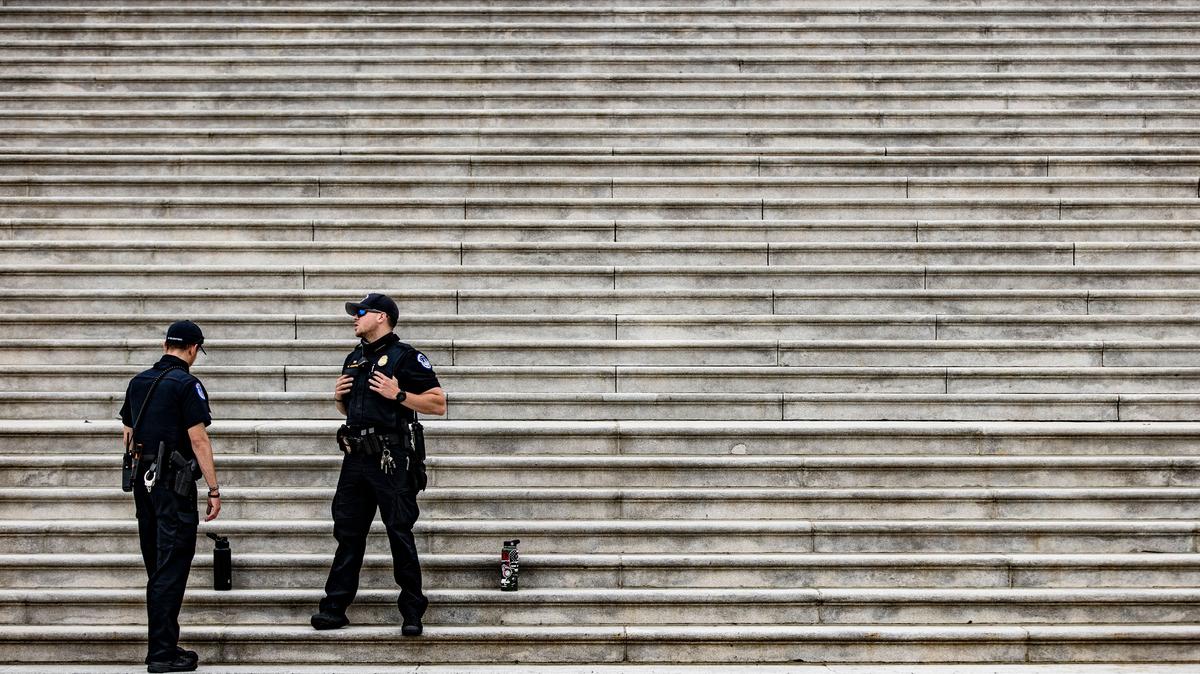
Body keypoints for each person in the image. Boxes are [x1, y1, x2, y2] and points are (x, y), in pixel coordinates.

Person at [311, 293, 447, 636]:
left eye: (360, 313)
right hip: (355, 456)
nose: (354, 318)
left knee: (399, 532)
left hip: (390, 458)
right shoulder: (354, 358)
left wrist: (398, 395)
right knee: (348, 534)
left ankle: (413, 611)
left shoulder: (406, 358)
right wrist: (339, 400)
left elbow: (438, 403)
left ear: (381, 317)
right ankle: (334, 607)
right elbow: (351, 411)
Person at [120, 320, 221, 673]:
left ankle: (164, 645)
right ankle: (162, 653)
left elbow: (128, 435)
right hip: (173, 485)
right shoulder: (187, 384)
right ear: (193, 349)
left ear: (165, 345)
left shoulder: (139, 382)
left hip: (144, 484)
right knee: (172, 566)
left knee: (157, 566)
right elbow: (198, 440)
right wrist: (213, 488)